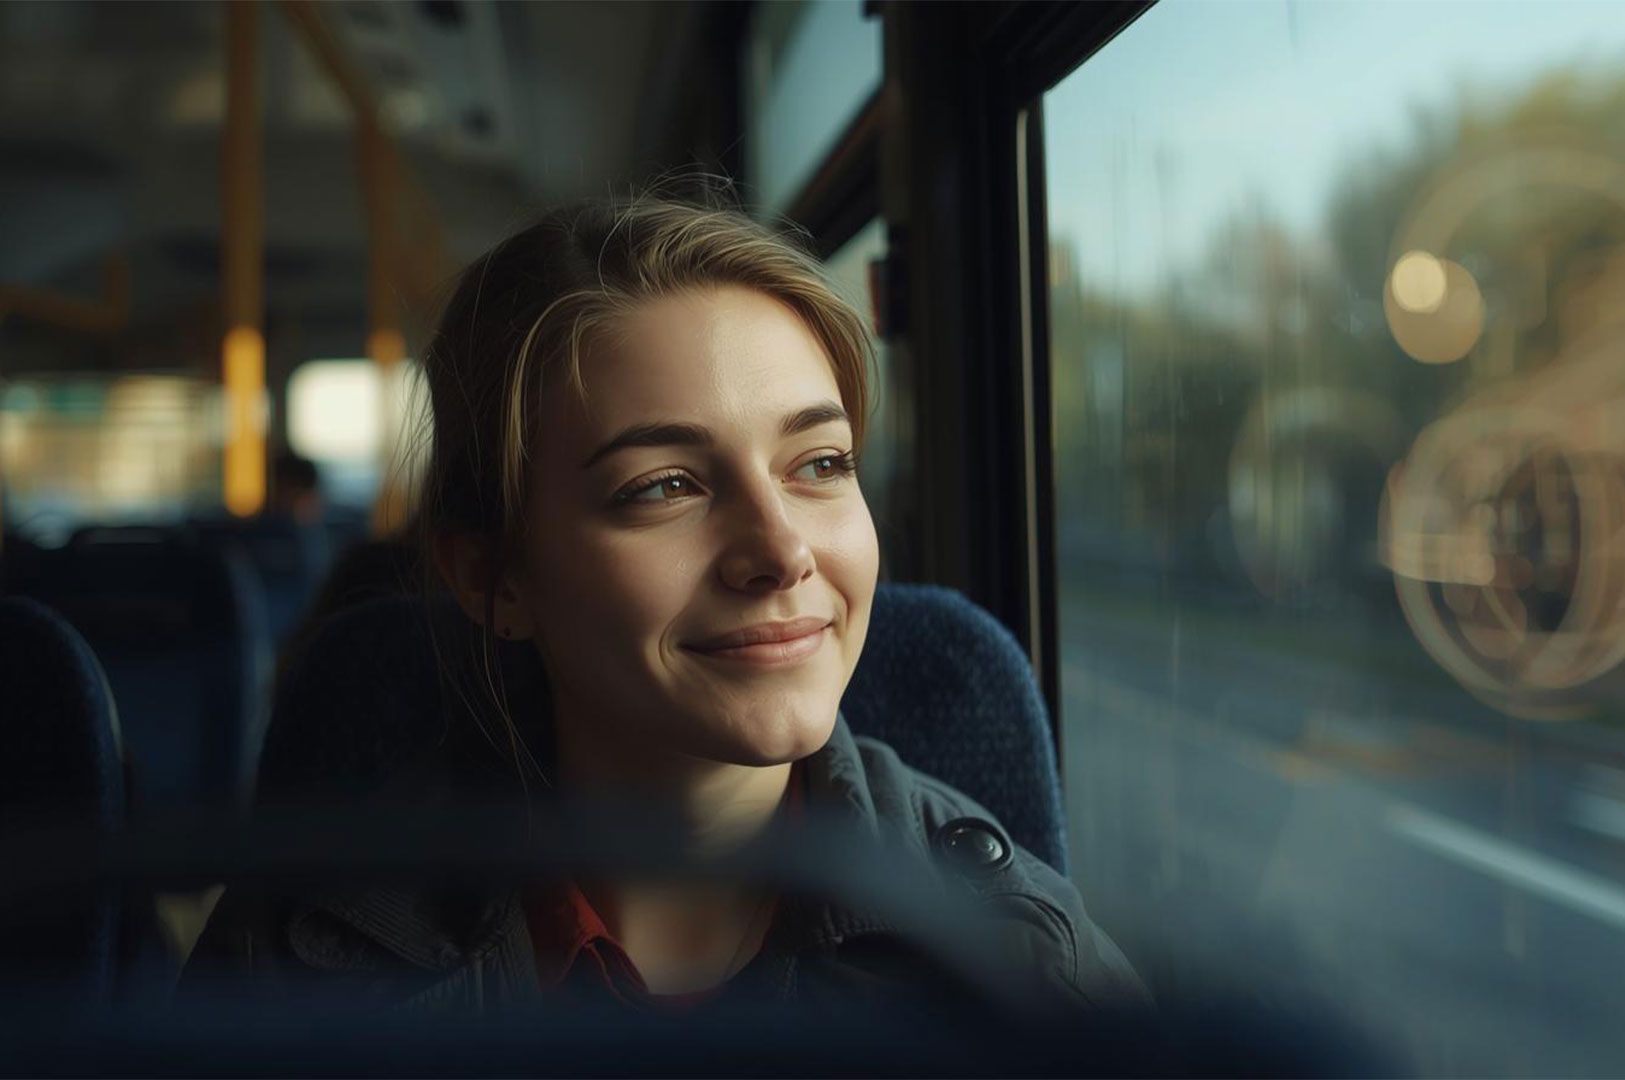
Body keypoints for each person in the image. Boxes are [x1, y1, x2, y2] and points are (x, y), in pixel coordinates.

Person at [184, 191, 1145, 1022]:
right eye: (665, 486)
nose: (780, 552)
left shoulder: (1022, 960)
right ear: (491, 580)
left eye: (821, 464)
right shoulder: (294, 959)